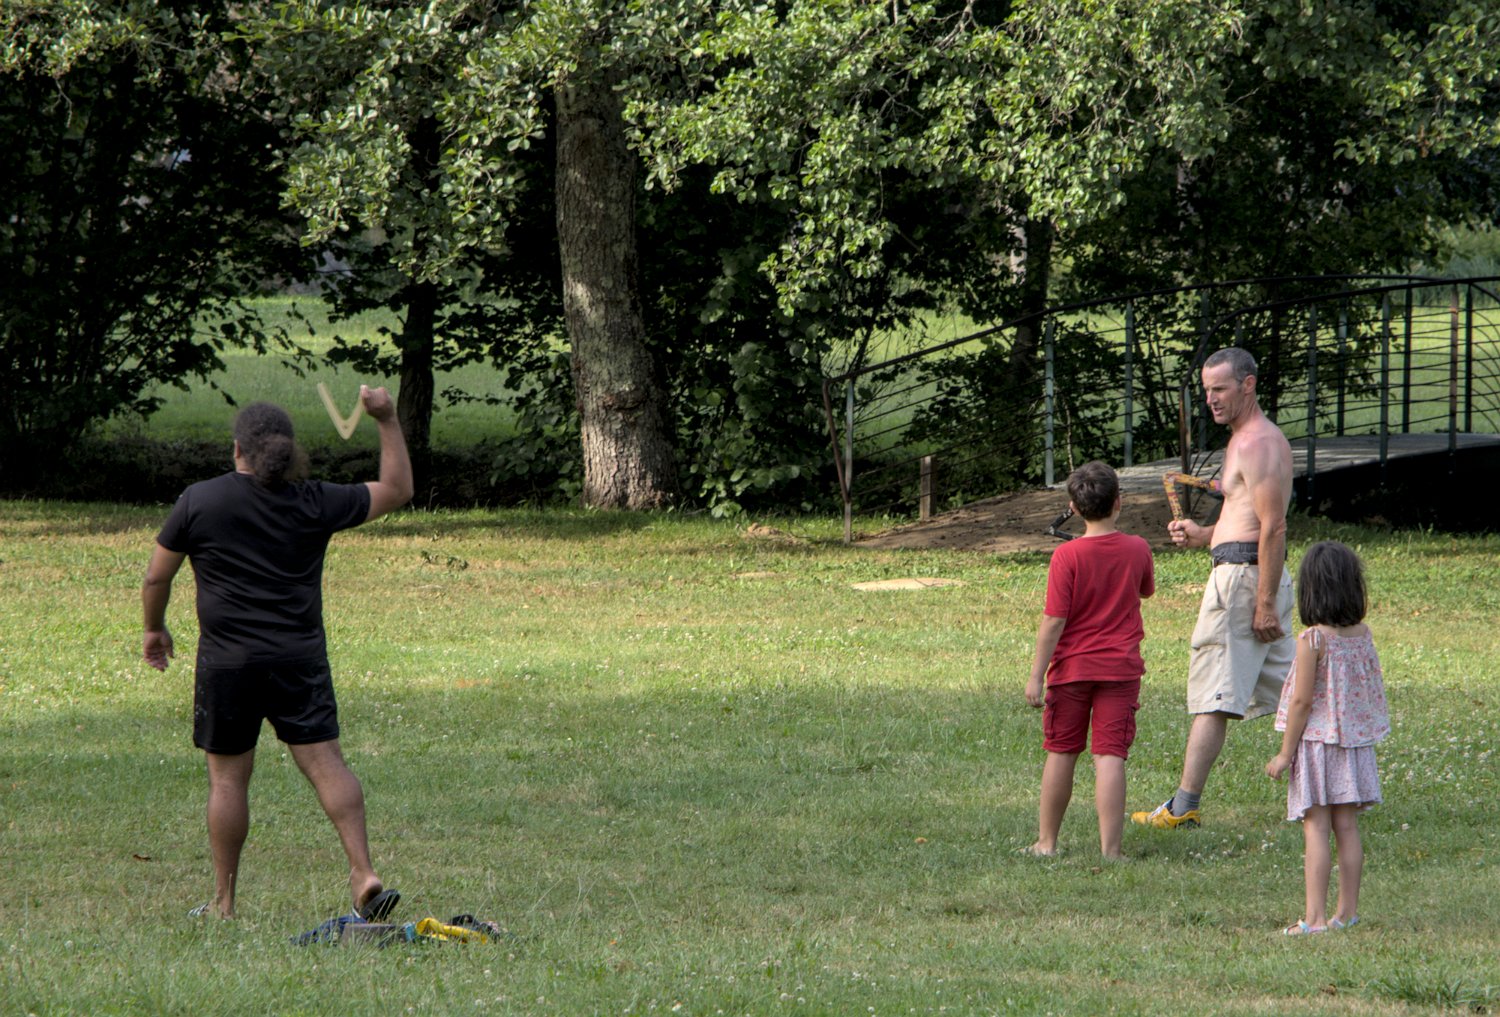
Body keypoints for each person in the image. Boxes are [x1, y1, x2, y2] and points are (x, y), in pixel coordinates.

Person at [141, 386, 413, 920]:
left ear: (237, 449)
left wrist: (154, 629)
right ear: (285, 451)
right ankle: (363, 872)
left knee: (227, 780)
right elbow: (397, 489)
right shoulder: (315, 500)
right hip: (298, 660)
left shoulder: (200, 500)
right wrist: (385, 418)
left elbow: (156, 576)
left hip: (228, 664)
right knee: (327, 765)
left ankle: (224, 903)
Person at [1132, 346, 1295, 829]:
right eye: (1207, 390)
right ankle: (1339, 790)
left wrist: (1264, 603)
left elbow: (1273, 527)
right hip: (1250, 574)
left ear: (1248, 384)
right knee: (1300, 693)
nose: (1211, 399)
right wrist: (1204, 535)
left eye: (1220, 388)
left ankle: (1183, 808)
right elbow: (1243, 520)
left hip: (1245, 584)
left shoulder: (1257, 443)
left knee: (1214, 698)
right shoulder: (1243, 440)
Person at [1024, 461, 1155, 859]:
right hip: (1120, 670)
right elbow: (1145, 590)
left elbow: (1054, 620)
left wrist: (1036, 675)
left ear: (1074, 508)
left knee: (1062, 750)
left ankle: (1047, 843)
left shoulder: (1066, 556)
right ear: (1119, 502)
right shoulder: (1138, 548)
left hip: (1071, 670)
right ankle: (1111, 851)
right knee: (1110, 754)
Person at [1265, 541, 1388, 935]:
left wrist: (1285, 754)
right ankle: (1346, 914)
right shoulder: (1362, 635)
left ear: (1311, 590)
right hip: (1353, 745)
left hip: (1317, 746)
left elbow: (1302, 702)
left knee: (1316, 828)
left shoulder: (1311, 641)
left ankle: (1315, 919)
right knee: (1347, 827)